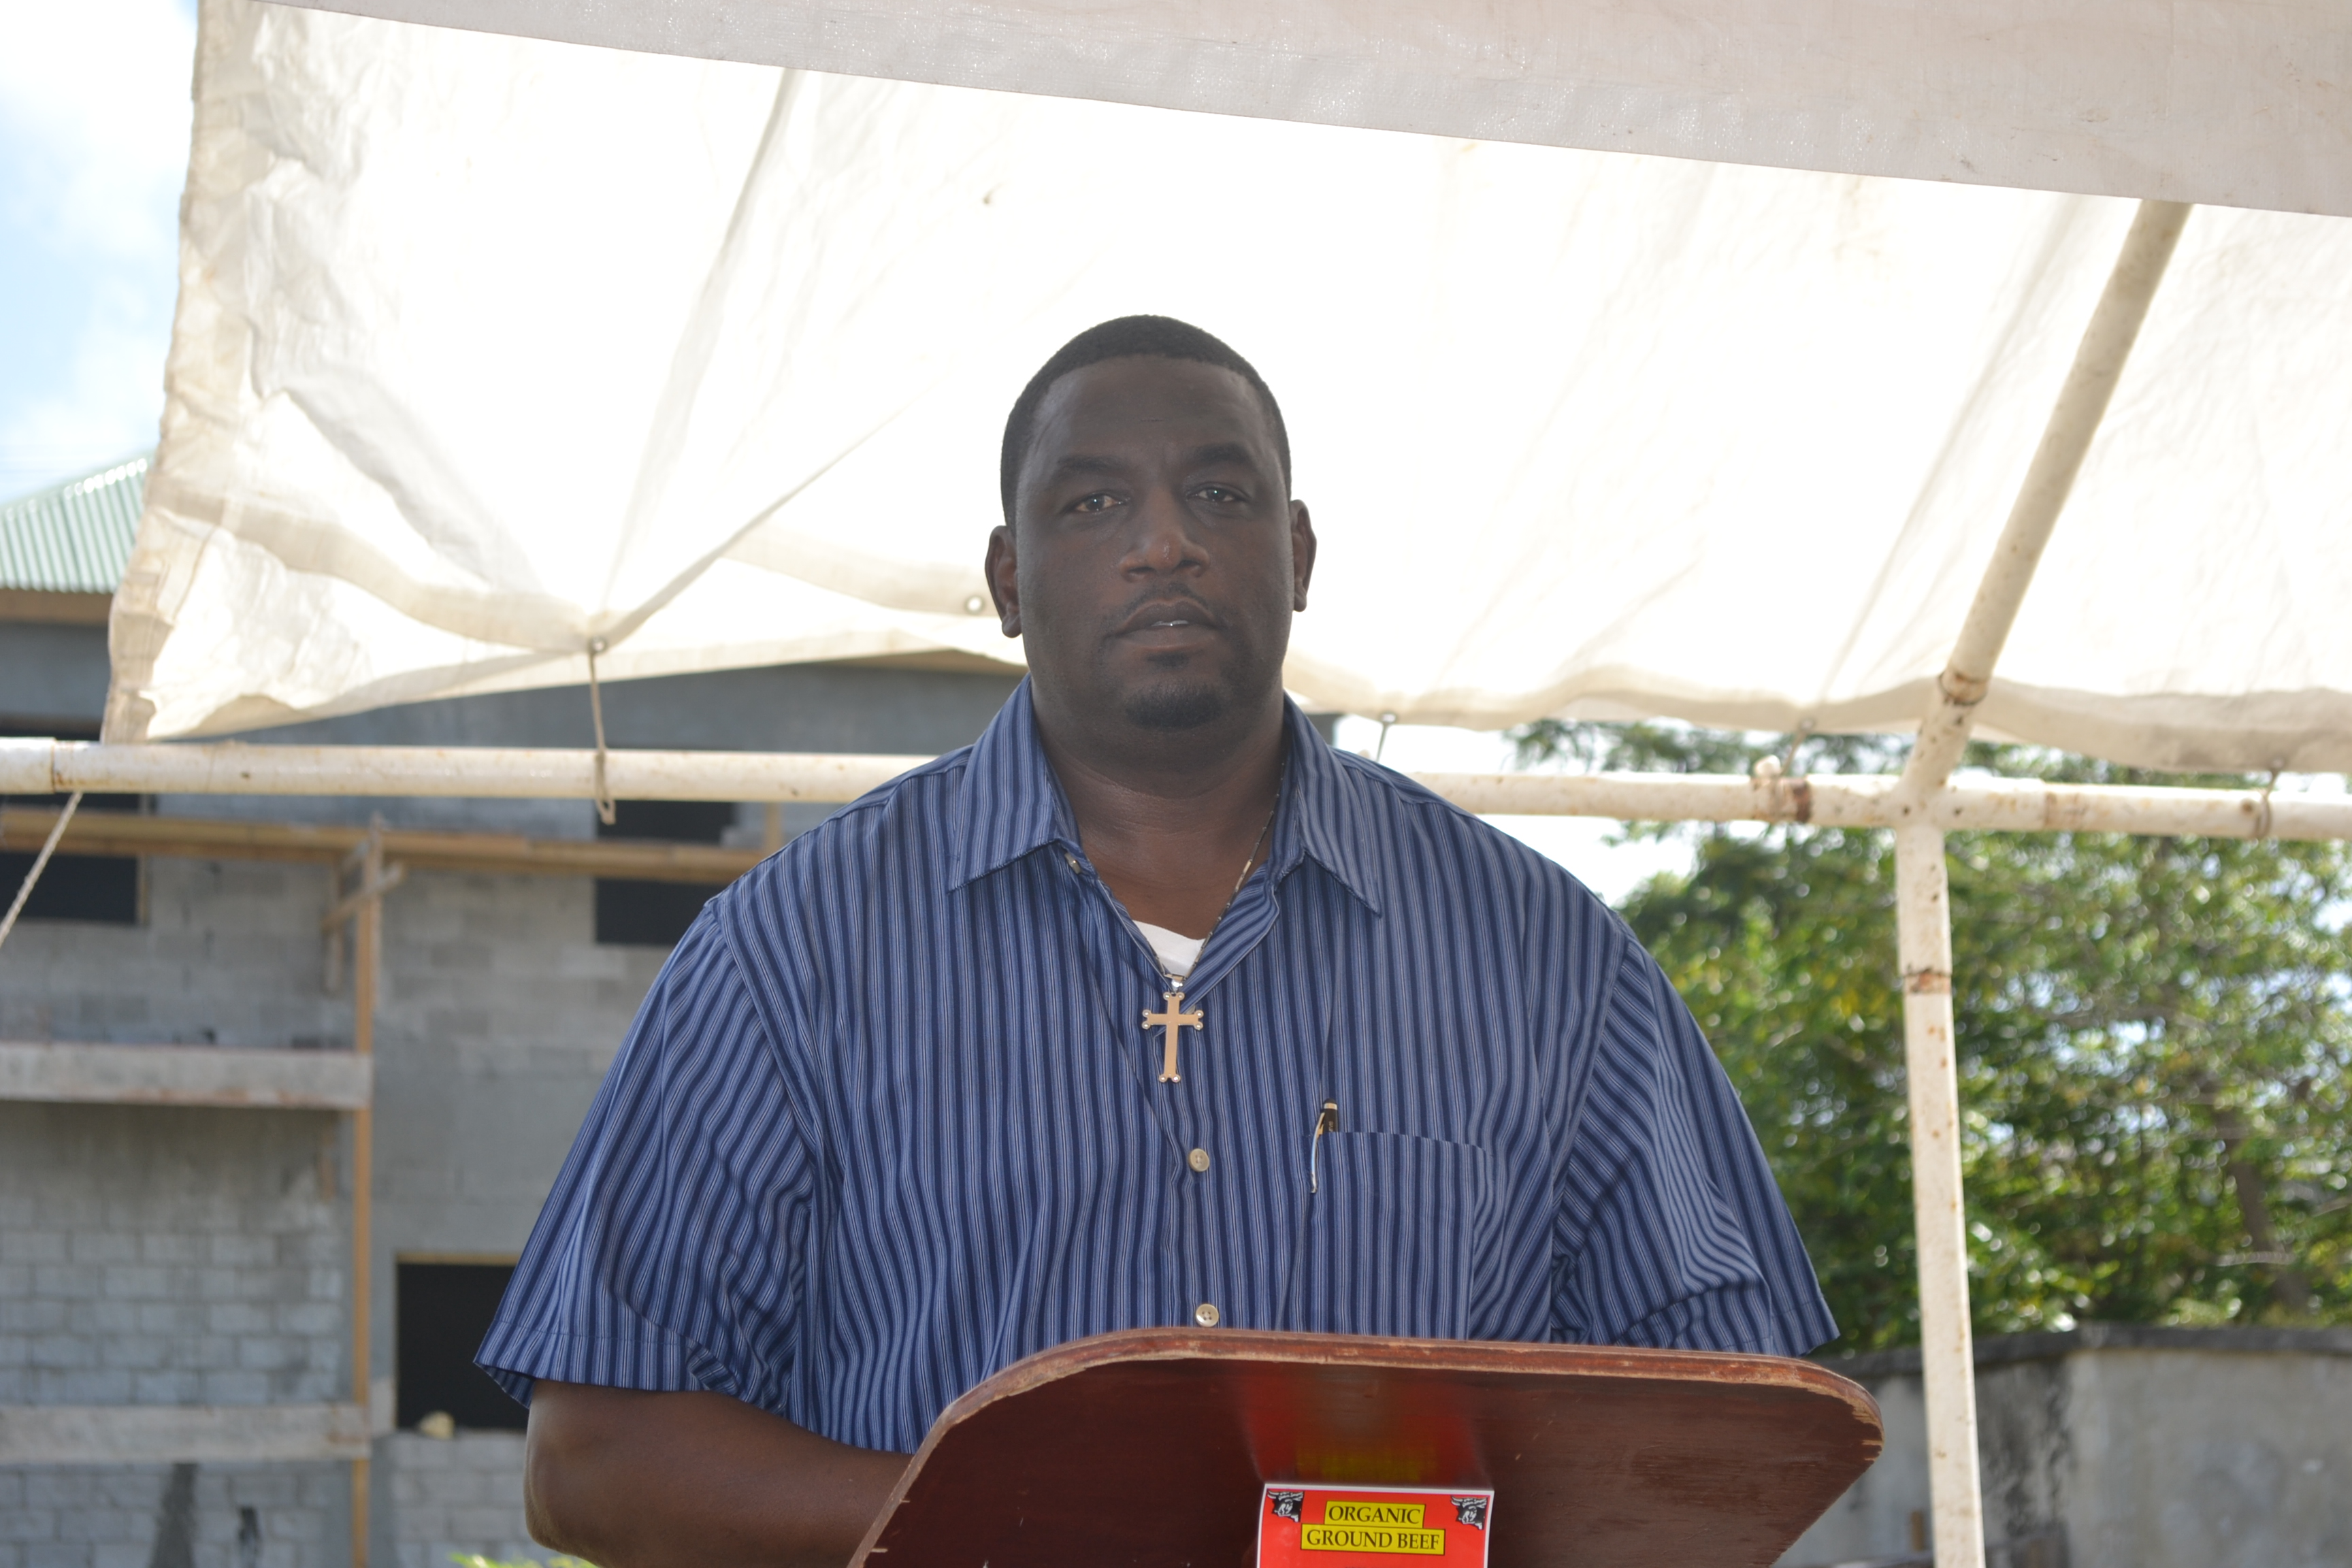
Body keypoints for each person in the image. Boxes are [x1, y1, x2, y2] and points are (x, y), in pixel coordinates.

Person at [478, 316, 1835, 1568]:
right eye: (1093, 504)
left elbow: (1735, 1443)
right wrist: (1038, 1526)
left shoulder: (1549, 959)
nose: (1164, 542)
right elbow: (592, 1463)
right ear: (1009, 579)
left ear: (1298, 555)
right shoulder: (790, 952)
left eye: (1221, 494)